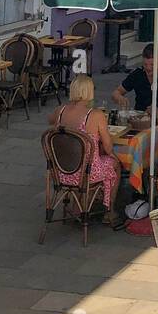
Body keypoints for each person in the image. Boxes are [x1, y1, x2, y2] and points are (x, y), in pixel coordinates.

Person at [48, 75, 121, 224]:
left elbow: (50, 122)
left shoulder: (60, 110)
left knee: (89, 161)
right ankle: (109, 211)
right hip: (88, 174)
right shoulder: (95, 115)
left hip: (62, 173)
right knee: (115, 164)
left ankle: (79, 204)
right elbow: (108, 147)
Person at [112, 42, 158, 122]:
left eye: (152, 65)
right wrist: (119, 97)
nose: (148, 68)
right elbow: (116, 92)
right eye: (145, 64)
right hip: (139, 119)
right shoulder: (137, 73)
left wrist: (157, 114)